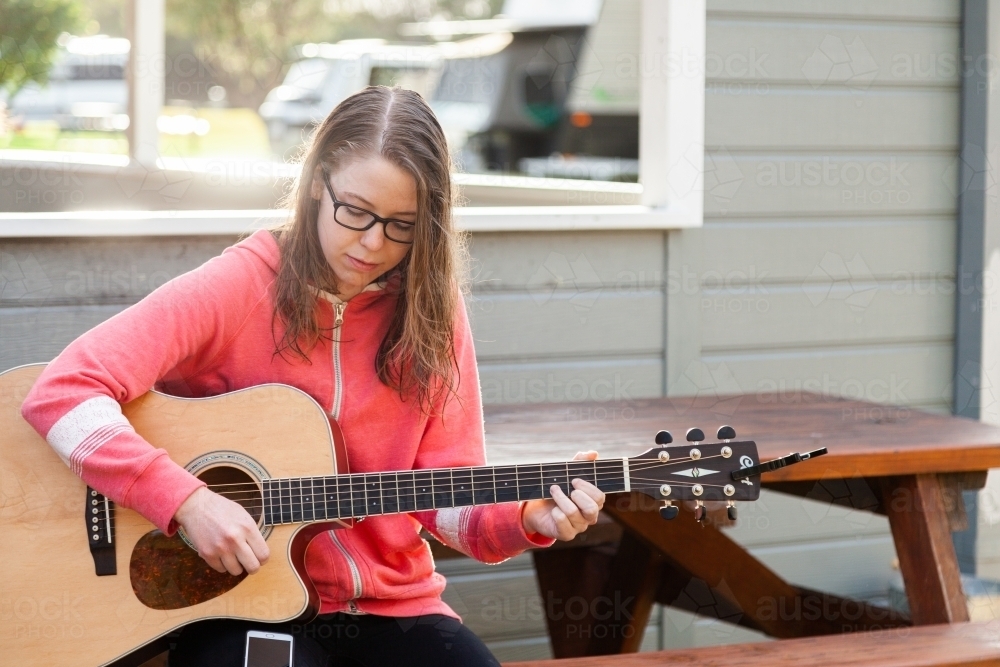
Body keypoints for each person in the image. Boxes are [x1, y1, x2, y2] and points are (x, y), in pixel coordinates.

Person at [19, 86, 605, 666]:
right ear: (316, 184)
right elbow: (64, 391)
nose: (374, 243)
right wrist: (186, 501)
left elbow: (448, 497)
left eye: (402, 225)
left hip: (392, 608)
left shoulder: (432, 310)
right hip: (241, 603)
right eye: (355, 211)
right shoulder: (243, 286)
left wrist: (530, 518)